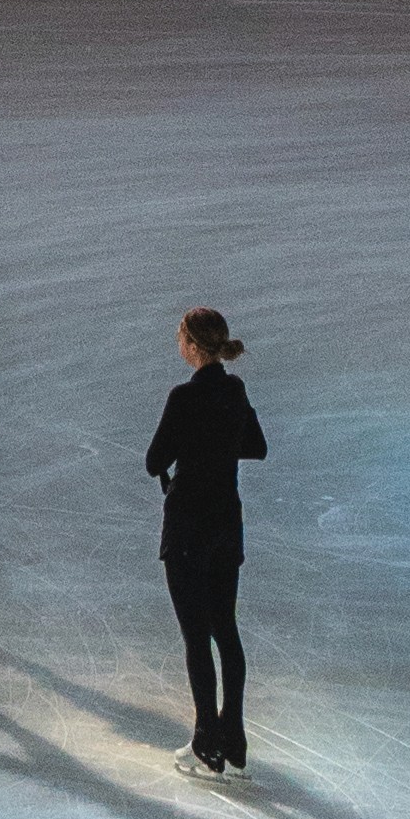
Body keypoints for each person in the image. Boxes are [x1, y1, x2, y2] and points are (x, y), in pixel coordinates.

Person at [144, 304, 265, 773]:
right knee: (226, 632)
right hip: (225, 525)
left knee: (197, 637)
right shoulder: (235, 390)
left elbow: (155, 461)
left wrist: (193, 451)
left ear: (192, 347)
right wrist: (219, 448)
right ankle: (233, 739)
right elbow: (255, 446)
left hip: (188, 526)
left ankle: (204, 740)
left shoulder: (183, 398)